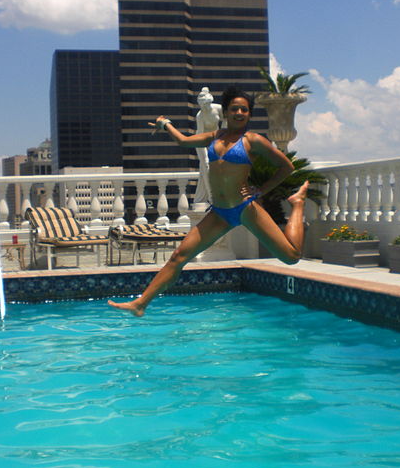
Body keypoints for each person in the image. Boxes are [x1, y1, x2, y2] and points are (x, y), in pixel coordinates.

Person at [109, 86, 308, 317]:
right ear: (225, 113)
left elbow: (287, 167)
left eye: (245, 110)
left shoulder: (253, 140)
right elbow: (184, 141)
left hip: (245, 208)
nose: (240, 113)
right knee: (179, 256)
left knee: (291, 257)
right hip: (220, 212)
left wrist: (260, 190)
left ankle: (298, 203)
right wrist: (166, 124)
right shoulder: (215, 137)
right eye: (235, 109)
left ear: (250, 114)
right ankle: (141, 304)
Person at [192, 86, 224, 206]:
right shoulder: (200, 116)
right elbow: (200, 135)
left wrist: (224, 134)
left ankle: (204, 196)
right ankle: (211, 196)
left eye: (205, 105)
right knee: (205, 163)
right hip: (201, 141)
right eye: (201, 105)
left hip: (216, 139)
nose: (203, 108)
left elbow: (226, 120)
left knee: (218, 164)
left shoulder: (218, 108)